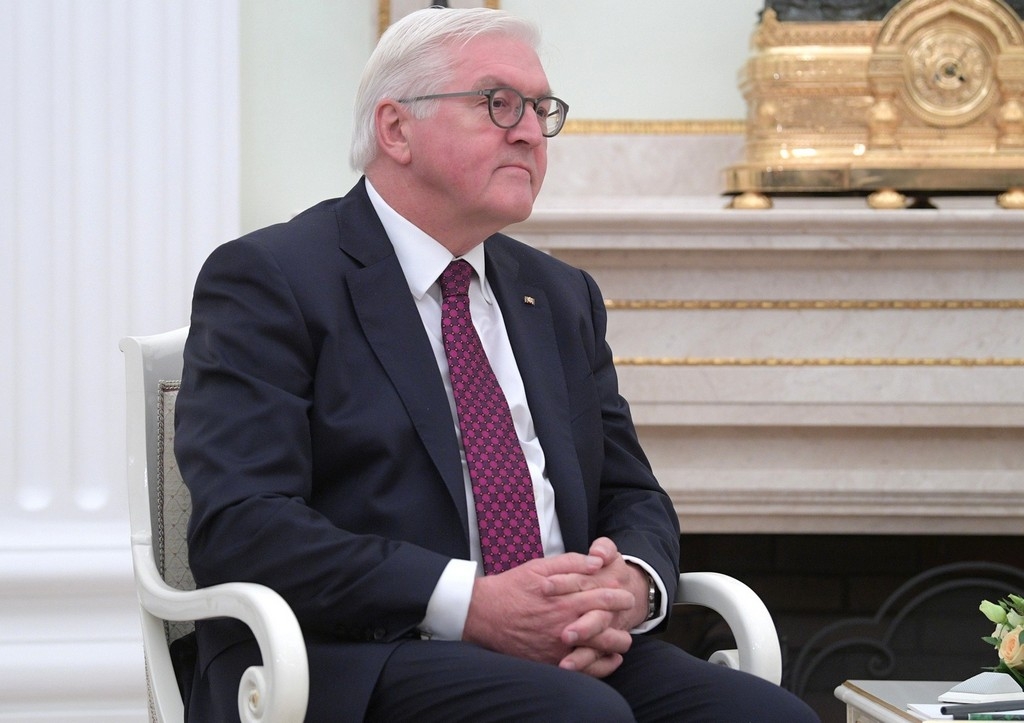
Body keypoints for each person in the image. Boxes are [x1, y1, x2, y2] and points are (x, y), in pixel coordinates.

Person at [175, 7, 819, 721]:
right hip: (358, 652)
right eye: (498, 103)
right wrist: (471, 603)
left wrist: (629, 585)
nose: (530, 132)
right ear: (396, 129)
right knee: (580, 714)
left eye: (541, 109)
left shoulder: (560, 294)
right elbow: (243, 525)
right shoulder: (272, 279)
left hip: (564, 651)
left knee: (774, 717)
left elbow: (632, 493)